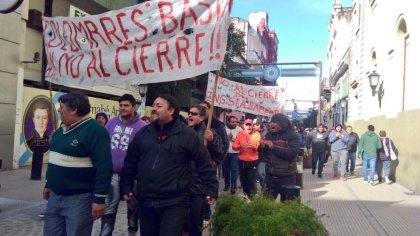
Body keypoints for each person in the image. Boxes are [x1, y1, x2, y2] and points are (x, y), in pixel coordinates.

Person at [120, 94, 218, 236]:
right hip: (146, 199)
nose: (154, 109)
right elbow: (131, 161)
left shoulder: (187, 135)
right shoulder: (143, 133)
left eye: (159, 106)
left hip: (174, 201)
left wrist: (211, 188)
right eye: (153, 105)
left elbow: (203, 162)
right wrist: (126, 185)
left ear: (171, 111)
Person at [43, 91, 113, 236]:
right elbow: (54, 161)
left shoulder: (95, 131)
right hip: (54, 196)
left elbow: (104, 167)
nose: (58, 110)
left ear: (74, 109)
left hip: (79, 201)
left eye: (61, 107)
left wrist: (99, 199)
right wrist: (48, 184)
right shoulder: (60, 131)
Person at [100, 94, 146, 236]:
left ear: (134, 107)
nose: (123, 108)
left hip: (133, 176)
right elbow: (102, 144)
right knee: (109, 208)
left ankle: (132, 232)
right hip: (113, 173)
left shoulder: (143, 127)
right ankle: (105, 233)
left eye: (126, 105)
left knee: (133, 207)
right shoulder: (111, 123)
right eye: (120, 105)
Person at [185, 105, 223, 236]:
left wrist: (212, 141)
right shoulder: (181, 131)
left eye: (194, 114)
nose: (190, 115)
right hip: (180, 183)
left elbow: (219, 154)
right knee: (181, 222)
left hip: (198, 185)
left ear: (202, 118)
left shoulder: (208, 132)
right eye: (189, 113)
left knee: (195, 223)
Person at [259, 113, 300, 200]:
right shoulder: (269, 135)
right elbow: (265, 155)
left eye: (274, 122)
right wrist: (261, 148)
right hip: (270, 176)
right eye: (271, 122)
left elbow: (291, 154)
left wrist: (272, 146)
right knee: (265, 206)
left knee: (287, 207)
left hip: (287, 177)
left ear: (282, 123)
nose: (271, 124)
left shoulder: (293, 136)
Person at [232, 119, 261, 199]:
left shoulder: (257, 134)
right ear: (243, 126)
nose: (248, 126)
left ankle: (253, 199)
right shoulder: (240, 134)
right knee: (243, 180)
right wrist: (240, 145)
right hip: (242, 161)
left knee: (251, 180)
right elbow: (234, 147)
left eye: (250, 125)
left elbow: (259, 148)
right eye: (246, 125)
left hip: (253, 161)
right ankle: (246, 197)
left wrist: (254, 147)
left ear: (252, 126)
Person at [223, 115, 242, 194]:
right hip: (225, 153)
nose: (235, 123)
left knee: (234, 170)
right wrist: (226, 138)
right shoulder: (224, 128)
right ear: (228, 122)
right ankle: (227, 184)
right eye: (232, 122)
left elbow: (241, 141)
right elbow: (220, 139)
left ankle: (233, 186)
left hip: (235, 153)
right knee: (226, 170)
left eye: (236, 122)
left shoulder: (240, 130)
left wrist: (232, 138)